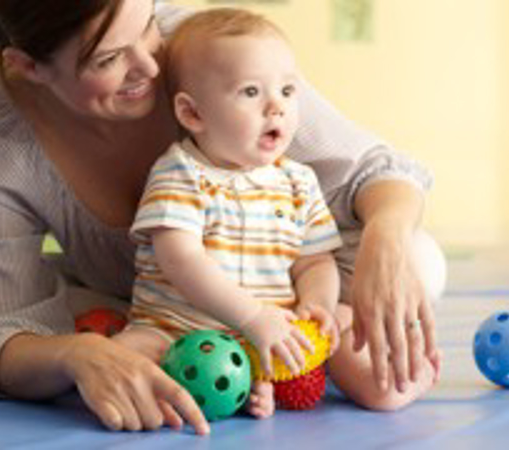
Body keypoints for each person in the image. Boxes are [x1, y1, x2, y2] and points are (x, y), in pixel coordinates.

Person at [0, 0, 446, 435]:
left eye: (147, 22)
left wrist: (384, 239)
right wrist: (73, 357)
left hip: (267, 285)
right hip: (150, 304)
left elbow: (374, 169)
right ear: (27, 66)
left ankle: (215, 350)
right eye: (108, 60)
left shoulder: (204, 49)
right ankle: (116, 343)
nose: (152, 66)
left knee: (417, 258)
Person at [117, 8, 343, 419]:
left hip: (267, 337)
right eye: (251, 92)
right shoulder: (181, 172)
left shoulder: (298, 181)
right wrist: (252, 315)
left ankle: (260, 383)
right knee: (126, 355)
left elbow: (315, 260)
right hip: (175, 332)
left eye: (288, 91)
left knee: (345, 327)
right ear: (193, 114)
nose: (276, 107)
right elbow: (181, 259)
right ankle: (199, 386)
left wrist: (316, 303)